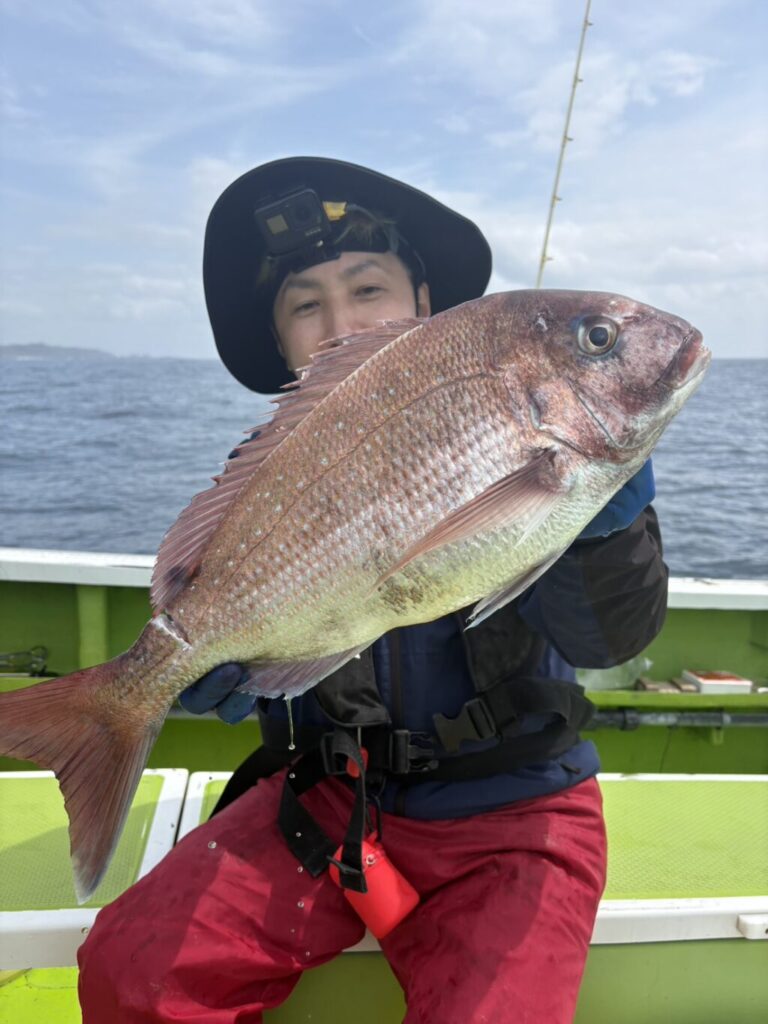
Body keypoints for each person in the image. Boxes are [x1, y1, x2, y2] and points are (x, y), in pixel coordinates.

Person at [78, 157, 666, 1023]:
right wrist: (226, 662)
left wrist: (607, 530)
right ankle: (101, 721)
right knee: (132, 973)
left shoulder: (529, 430)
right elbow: (229, 590)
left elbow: (609, 641)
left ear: (426, 304)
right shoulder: (271, 471)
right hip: (327, 800)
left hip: (517, 813)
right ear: (280, 339)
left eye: (367, 289)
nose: (340, 324)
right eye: (305, 306)